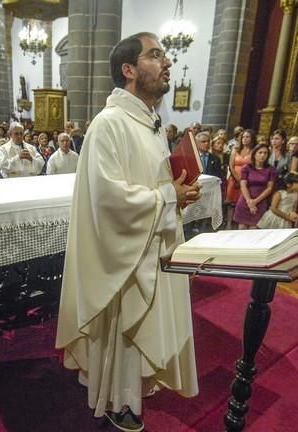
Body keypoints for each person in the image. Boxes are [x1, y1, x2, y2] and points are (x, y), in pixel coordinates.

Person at [56, 32, 200, 432]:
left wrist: (177, 193)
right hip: (124, 255)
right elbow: (108, 199)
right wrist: (167, 196)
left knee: (141, 332)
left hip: (148, 246)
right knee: (125, 329)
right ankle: (121, 402)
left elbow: (151, 184)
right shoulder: (110, 124)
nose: (167, 63)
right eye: (156, 56)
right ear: (129, 69)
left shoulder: (151, 124)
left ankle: (133, 393)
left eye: (166, 56)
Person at [233, 144, 276, 229]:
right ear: (254, 154)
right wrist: (249, 202)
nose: (263, 155)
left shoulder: (270, 169)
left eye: (265, 153)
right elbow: (243, 185)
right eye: (260, 152)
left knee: (254, 229)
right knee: (241, 228)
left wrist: (255, 202)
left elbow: (269, 188)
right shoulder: (247, 167)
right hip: (245, 200)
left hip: (260, 201)